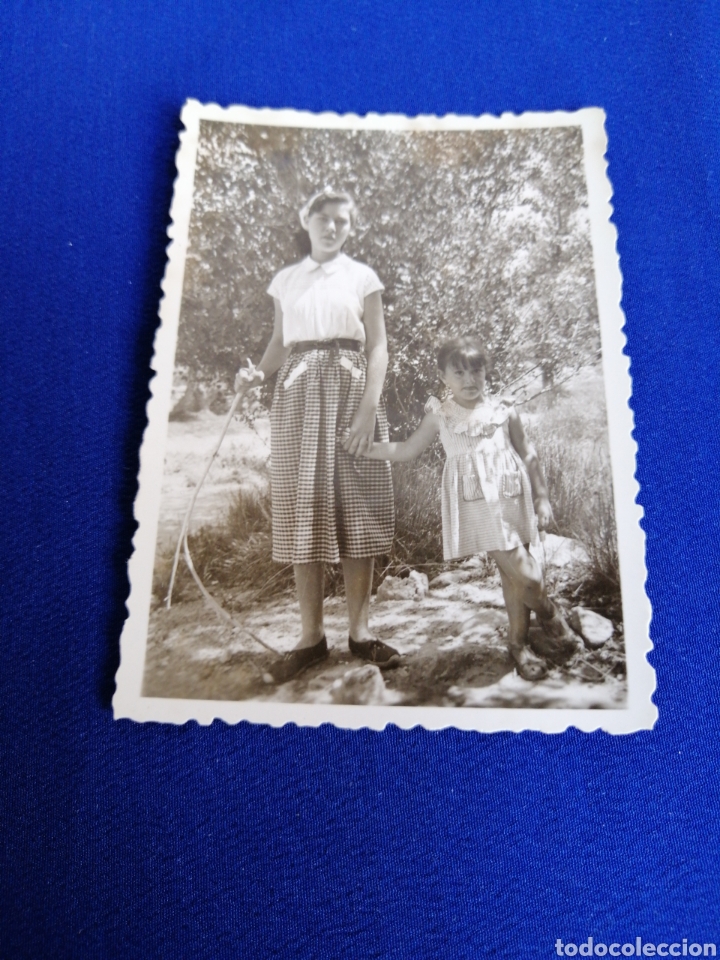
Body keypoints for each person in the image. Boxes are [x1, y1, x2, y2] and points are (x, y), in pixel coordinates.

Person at [233, 188, 400, 682]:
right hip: (299, 397)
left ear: (351, 227)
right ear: (306, 220)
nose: (332, 227)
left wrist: (369, 410)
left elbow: (379, 348)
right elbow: (278, 345)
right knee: (302, 509)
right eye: (323, 218)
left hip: (352, 394)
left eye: (342, 221)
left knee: (357, 506)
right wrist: (255, 376)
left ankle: (361, 633)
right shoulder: (286, 280)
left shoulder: (362, 277)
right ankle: (311, 639)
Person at [358, 335, 578, 681]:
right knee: (529, 576)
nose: (469, 381)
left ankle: (518, 644)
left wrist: (542, 497)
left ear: (487, 372)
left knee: (514, 576)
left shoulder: (504, 410)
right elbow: (406, 450)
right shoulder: (440, 416)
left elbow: (528, 454)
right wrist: (366, 449)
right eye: (458, 373)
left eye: (476, 371)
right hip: (478, 506)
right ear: (443, 377)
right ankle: (550, 613)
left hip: (510, 497)